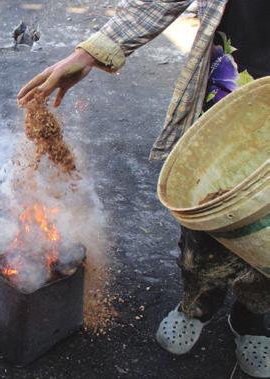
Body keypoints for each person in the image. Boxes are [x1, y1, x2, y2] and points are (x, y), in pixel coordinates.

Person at [17, 0, 269, 377]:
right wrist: (89, 53)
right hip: (227, 96)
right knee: (204, 230)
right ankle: (196, 305)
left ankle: (253, 320)